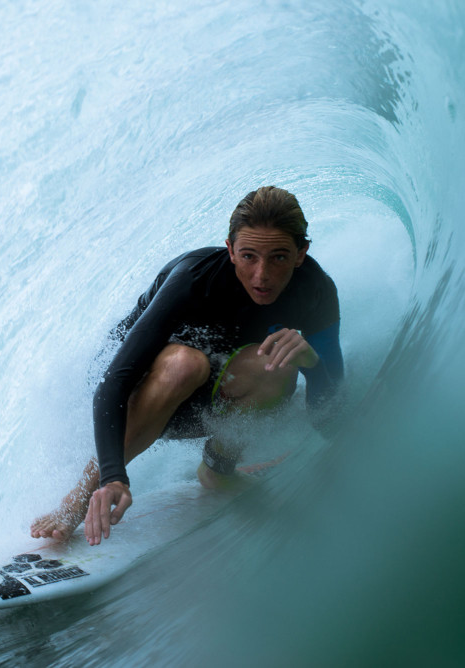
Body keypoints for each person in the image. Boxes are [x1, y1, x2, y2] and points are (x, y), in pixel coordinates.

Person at [31, 186, 344, 546]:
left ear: (301, 253)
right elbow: (115, 380)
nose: (261, 275)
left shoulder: (316, 293)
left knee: (277, 366)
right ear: (229, 249)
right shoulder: (195, 279)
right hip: (130, 399)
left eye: (278, 257)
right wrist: (112, 476)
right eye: (248, 256)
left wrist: (312, 364)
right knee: (185, 363)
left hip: (204, 403)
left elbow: (329, 417)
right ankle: (78, 497)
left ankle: (218, 469)